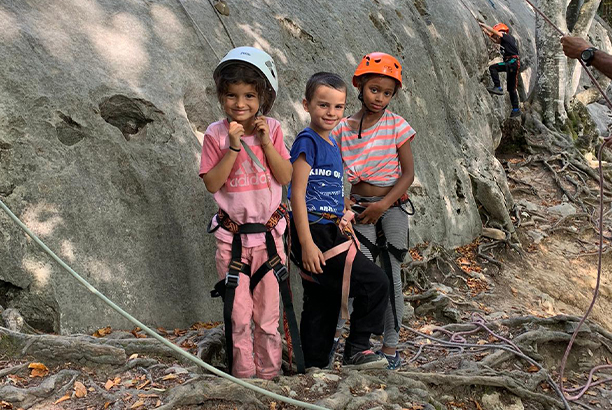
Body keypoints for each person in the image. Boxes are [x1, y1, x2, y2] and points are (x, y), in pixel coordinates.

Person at [199, 46, 294, 379]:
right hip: (233, 242)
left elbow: (285, 177)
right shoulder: (215, 134)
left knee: (268, 316)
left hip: (269, 240)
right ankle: (243, 378)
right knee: (238, 317)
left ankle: (269, 378)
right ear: (222, 97)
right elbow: (212, 183)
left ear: (263, 97)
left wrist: (267, 144)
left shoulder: (275, 131)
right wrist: (232, 148)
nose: (240, 104)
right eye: (232, 96)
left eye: (249, 96)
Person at [288, 72, 389, 370]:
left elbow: (326, 188)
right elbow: (297, 194)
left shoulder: (331, 144)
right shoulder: (307, 141)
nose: (331, 113)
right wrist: (306, 244)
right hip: (314, 230)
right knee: (376, 283)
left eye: (338, 107)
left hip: (331, 226)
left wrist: (342, 207)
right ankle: (356, 348)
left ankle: (311, 365)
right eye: (323, 105)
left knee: (323, 297)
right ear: (306, 105)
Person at [332, 52, 415, 370]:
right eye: (374, 89)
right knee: (356, 274)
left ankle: (391, 346)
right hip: (358, 210)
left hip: (391, 207)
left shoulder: (397, 126)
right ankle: (350, 342)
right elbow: (335, 170)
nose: (380, 97)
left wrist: (382, 205)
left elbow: (407, 173)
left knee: (391, 275)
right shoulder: (342, 129)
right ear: (360, 86)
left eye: (387, 92)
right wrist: (342, 203)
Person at [479, 22, 522, 118]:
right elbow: (495, 41)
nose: (496, 37)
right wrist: (486, 32)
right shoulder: (508, 40)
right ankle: (516, 110)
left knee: (493, 67)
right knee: (512, 89)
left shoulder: (506, 36)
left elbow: (496, 33)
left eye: (496, 35)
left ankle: (498, 87)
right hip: (513, 63)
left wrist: (483, 24)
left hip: (512, 62)